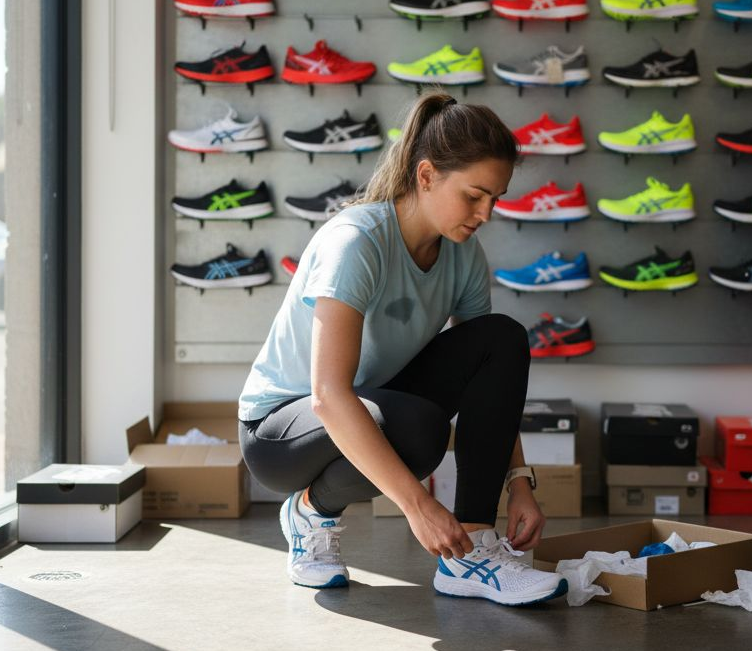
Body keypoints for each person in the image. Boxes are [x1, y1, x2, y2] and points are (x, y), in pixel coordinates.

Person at [237, 91, 568, 606]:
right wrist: (418, 506)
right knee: (418, 429)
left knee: (500, 337)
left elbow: (490, 385)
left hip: (371, 402)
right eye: (475, 195)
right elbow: (327, 395)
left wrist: (519, 483)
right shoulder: (356, 242)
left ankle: (473, 549)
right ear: (428, 174)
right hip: (280, 432)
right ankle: (309, 510)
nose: (486, 213)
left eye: (496, 199)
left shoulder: (463, 256)